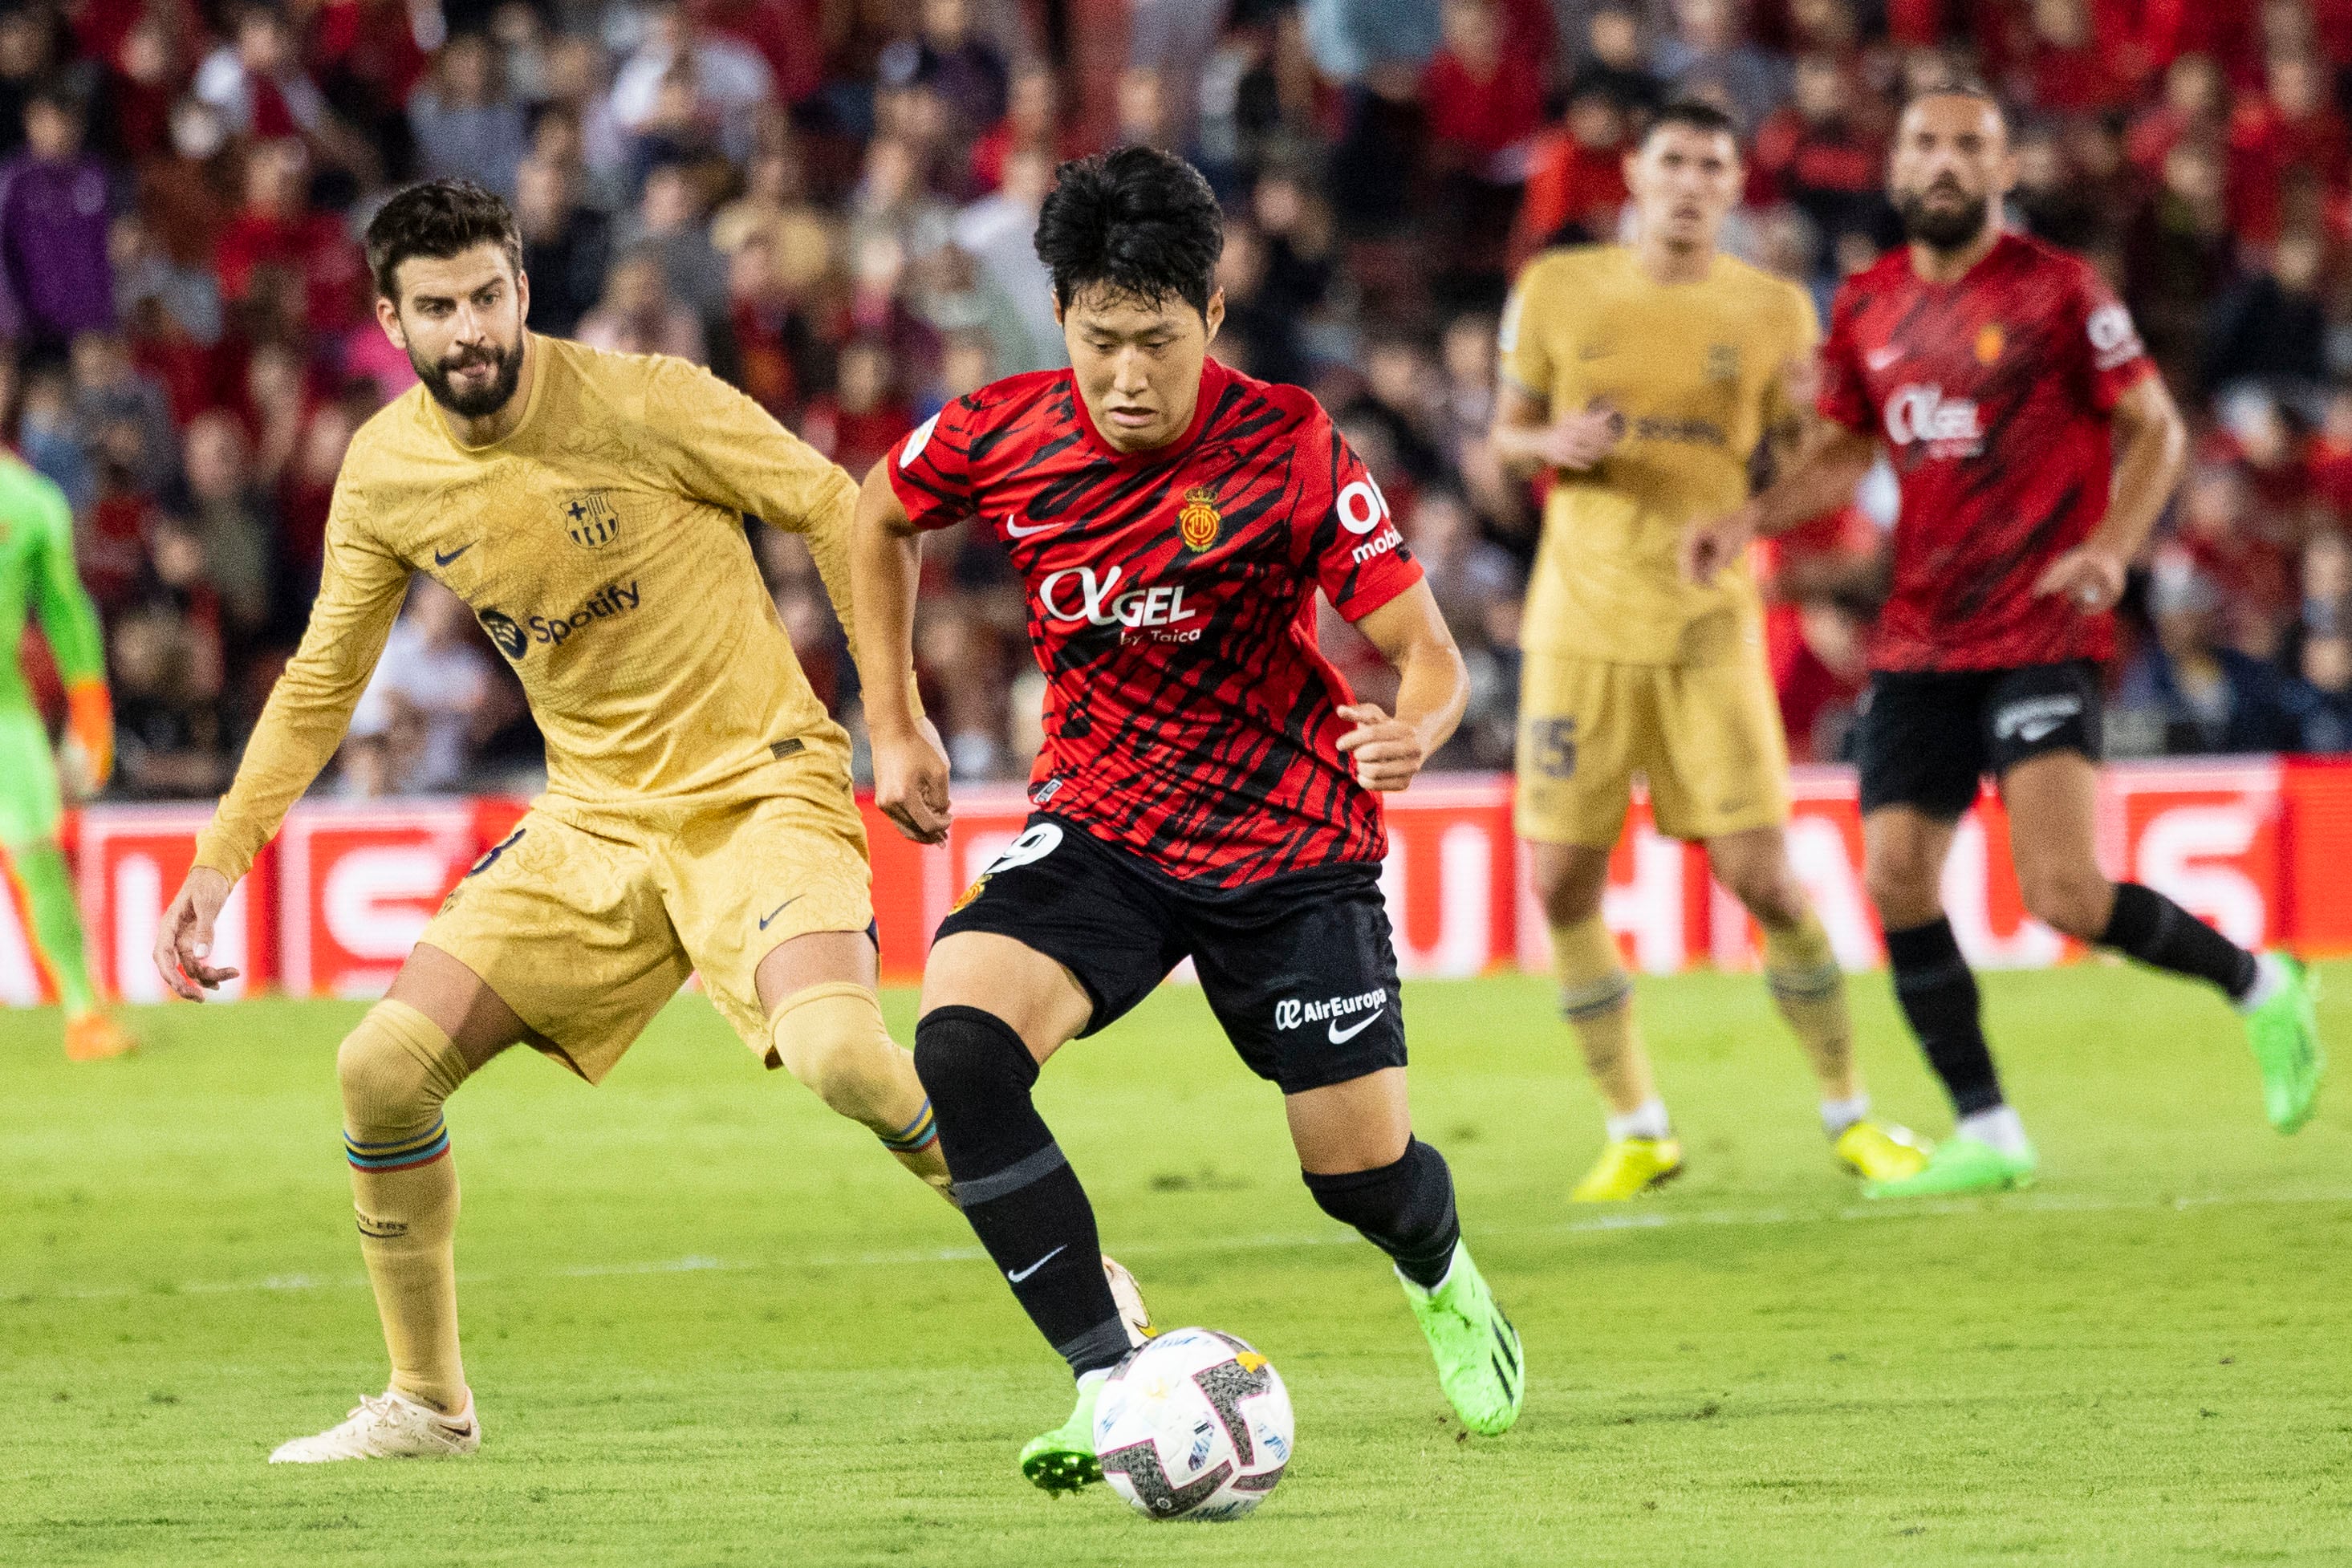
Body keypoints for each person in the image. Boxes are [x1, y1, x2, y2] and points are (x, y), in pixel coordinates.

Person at [148, 180, 970, 1463]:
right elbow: (320, 682)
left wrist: (898, 716)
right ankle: (429, 1403)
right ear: (392, 320)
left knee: (843, 1060)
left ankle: (1076, 1269)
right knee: (376, 1070)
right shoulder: (387, 470)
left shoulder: (649, 399)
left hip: (758, 786)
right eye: (437, 308)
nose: (469, 328)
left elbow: (843, 504)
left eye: (486, 296)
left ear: (522, 289)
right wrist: (216, 863)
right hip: (591, 823)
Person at [850, 146, 1525, 1497]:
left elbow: (1429, 649)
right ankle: (1111, 1379)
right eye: (1100, 340)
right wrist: (896, 710)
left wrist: (1423, 723)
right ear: (1062, 321)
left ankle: (1441, 1269)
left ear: (1212, 318)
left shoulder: (1290, 445)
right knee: (959, 1045)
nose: (1127, 375)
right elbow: (874, 511)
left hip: (1286, 837)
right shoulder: (1003, 430)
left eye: (1157, 339)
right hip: (1104, 819)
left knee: (1356, 1170)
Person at [1684, 83, 2326, 1196]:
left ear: (2000, 170)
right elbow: (1842, 454)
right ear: (1894, 168)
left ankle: (2258, 984)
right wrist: (1749, 518)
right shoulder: (1867, 304)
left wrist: (2112, 549)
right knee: (1892, 880)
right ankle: (1987, 1125)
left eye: (1964, 146)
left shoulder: (2055, 291)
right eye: (1921, 142)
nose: (1940, 162)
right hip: (1920, 636)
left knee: (2063, 891)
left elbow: (2154, 428)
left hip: (2040, 621)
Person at [1490, 99, 1928, 1201]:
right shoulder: (1556, 288)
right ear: (1631, 171)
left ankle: (1850, 1113)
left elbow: (1837, 458)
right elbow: (1499, 434)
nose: (1687, 181)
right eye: (1670, 160)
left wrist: (1749, 521)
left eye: (1710, 166)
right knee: (1556, 881)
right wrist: (1551, 442)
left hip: (1704, 625)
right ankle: (1636, 1124)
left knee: (1763, 878)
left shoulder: (1774, 310)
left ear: (1735, 188)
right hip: (1576, 624)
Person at [0, 449, 132, 1061]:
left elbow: (62, 605)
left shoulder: (30, 501)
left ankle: (83, 1011)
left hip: (7, 712)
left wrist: (89, 709)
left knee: (40, 856)